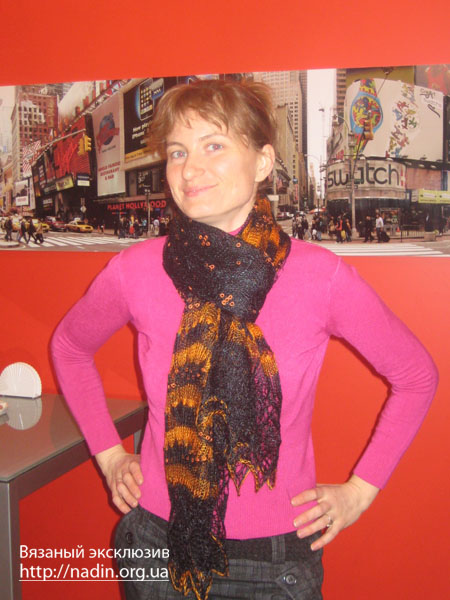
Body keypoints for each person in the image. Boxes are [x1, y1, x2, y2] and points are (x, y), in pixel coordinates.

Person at [51, 79, 438, 600]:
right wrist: (110, 455)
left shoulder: (320, 276)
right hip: (157, 540)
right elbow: (69, 347)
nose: (190, 169)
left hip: (275, 559)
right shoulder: (135, 271)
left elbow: (416, 375)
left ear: (262, 162)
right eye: (178, 152)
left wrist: (360, 491)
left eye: (214, 146)